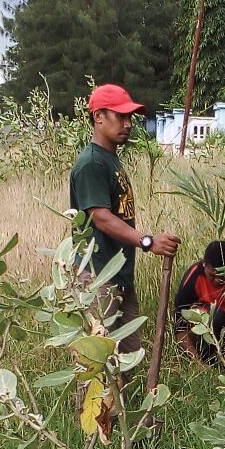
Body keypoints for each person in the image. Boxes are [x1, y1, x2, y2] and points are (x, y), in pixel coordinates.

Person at [68, 84, 179, 355]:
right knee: (97, 364)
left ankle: (123, 400)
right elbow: (101, 218)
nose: (128, 124)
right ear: (98, 117)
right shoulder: (92, 163)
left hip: (118, 274)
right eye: (121, 116)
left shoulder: (110, 160)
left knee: (127, 357)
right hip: (97, 276)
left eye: (131, 117)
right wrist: (147, 241)